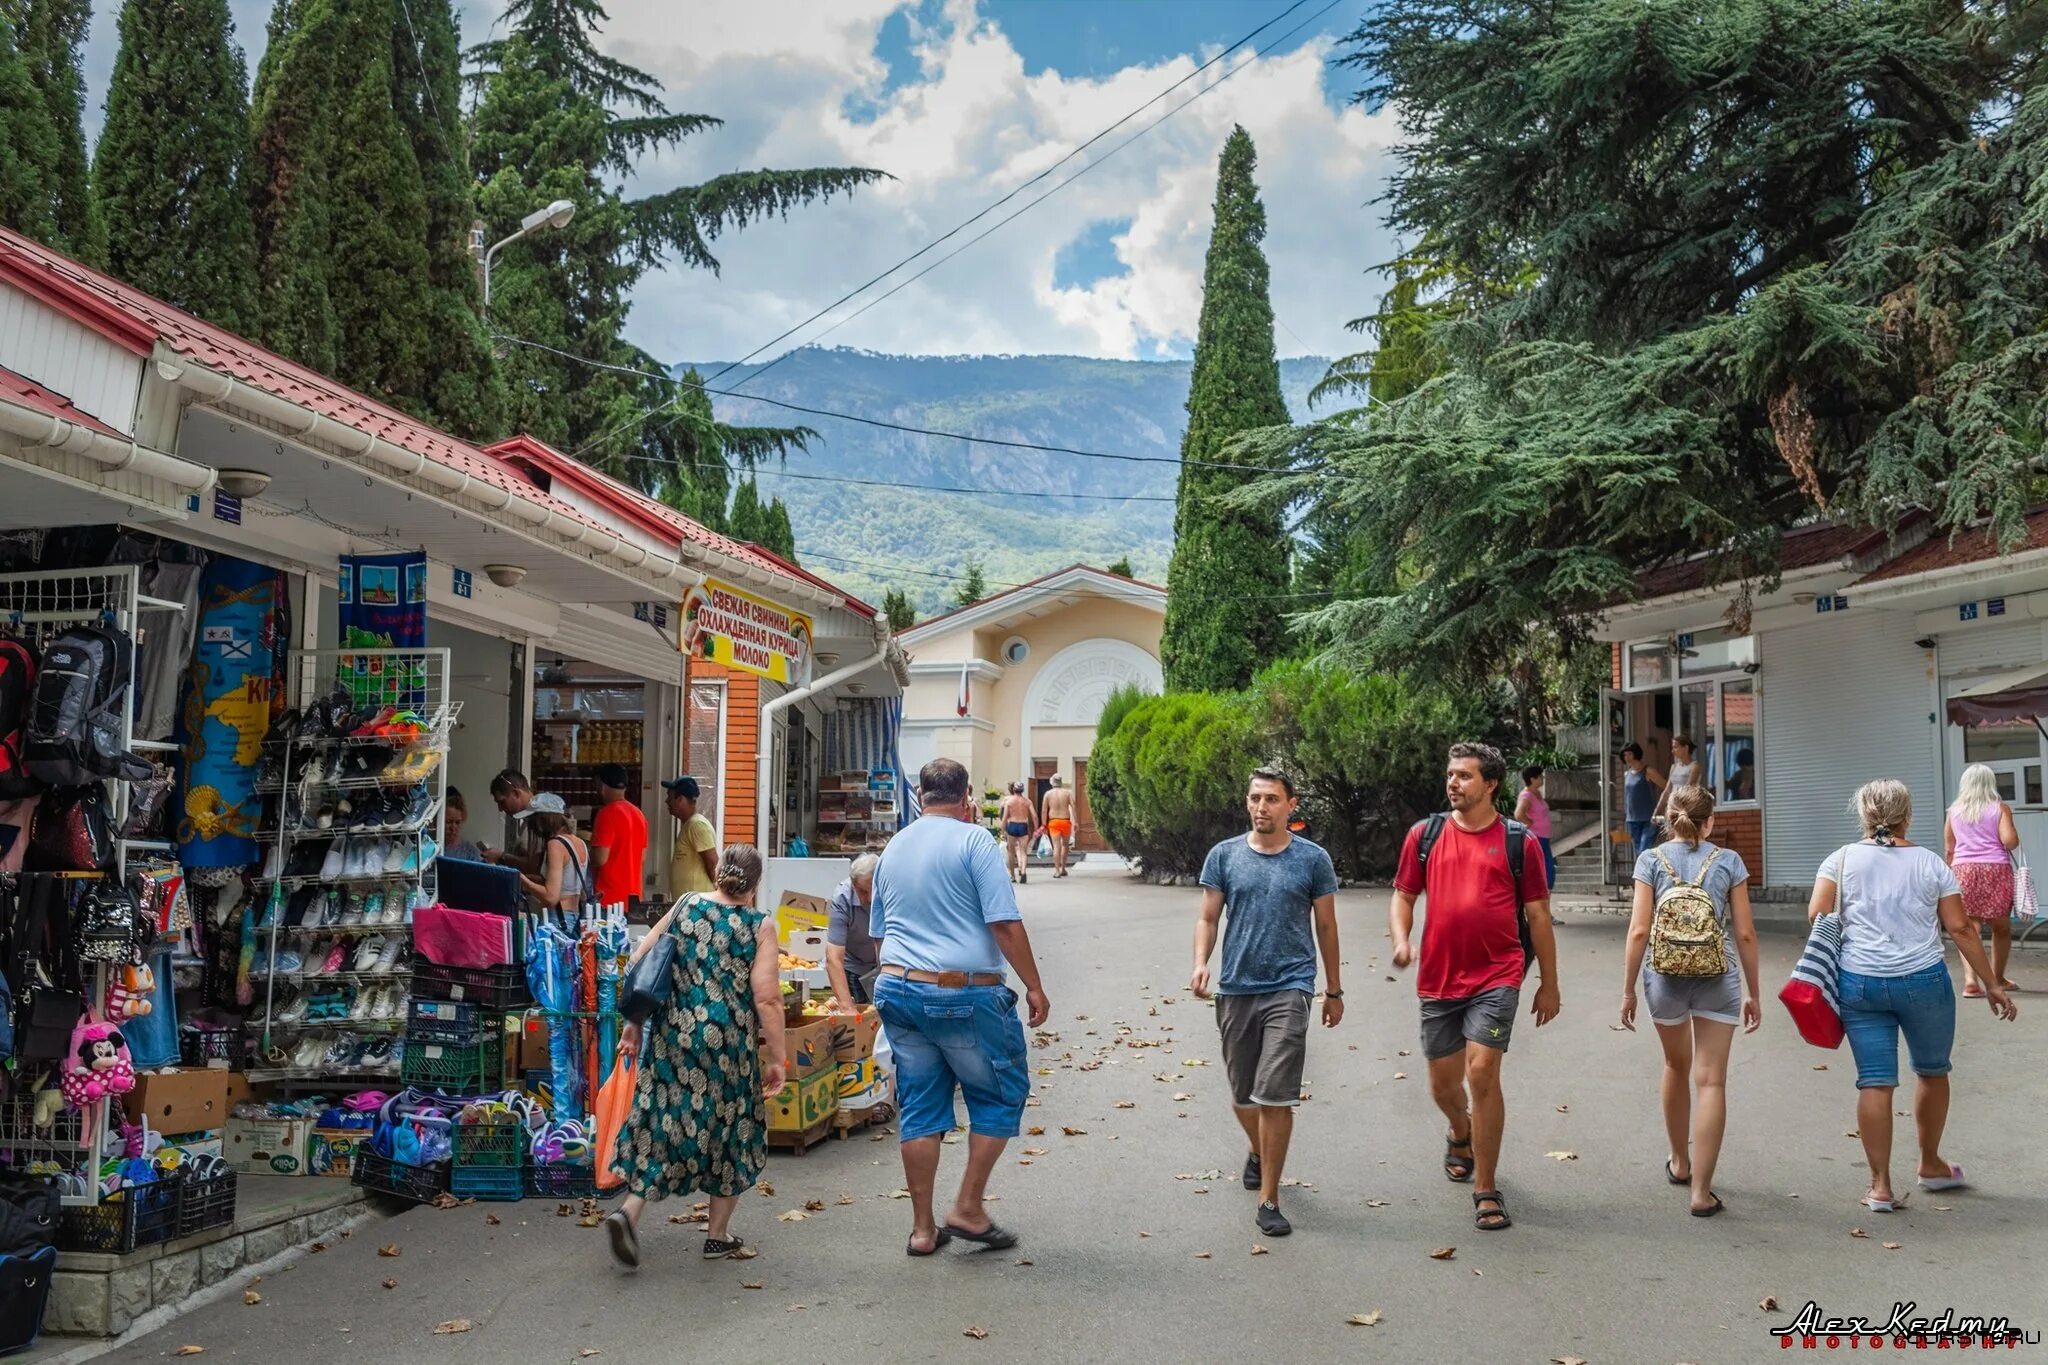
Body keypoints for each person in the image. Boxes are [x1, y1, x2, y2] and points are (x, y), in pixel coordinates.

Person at [1808, 779, 2017, 1212]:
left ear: (1864, 815)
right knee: (1932, 1070)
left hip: (1860, 982)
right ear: (1908, 814)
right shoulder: (1930, 863)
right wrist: (1991, 983)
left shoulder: (1840, 859)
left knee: (1876, 1082)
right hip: (1923, 981)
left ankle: (1880, 1186)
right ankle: (1930, 1164)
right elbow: (1960, 928)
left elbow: (1817, 914)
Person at [871, 758, 1050, 1257]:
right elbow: (1004, 923)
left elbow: (881, 931)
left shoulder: (893, 848)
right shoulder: (975, 842)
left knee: (922, 1106)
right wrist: (1034, 986)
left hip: (898, 989)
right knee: (1000, 1093)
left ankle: (923, 1230)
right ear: (966, 796)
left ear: (922, 796)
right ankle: (967, 1208)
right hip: (961, 994)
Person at [1390, 742, 1559, 1233]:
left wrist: (1549, 983)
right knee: (1444, 1087)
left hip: (1497, 974)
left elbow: (1539, 916)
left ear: (1490, 785)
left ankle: (1486, 1187)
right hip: (1439, 978)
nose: (1453, 783)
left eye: (1464, 775)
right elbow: (1403, 896)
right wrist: (1402, 939)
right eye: (1450, 774)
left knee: (1482, 1073)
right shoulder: (1425, 835)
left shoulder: (1517, 840)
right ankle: (1459, 1130)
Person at [603, 844, 785, 1269]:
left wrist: (634, 1024)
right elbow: (768, 998)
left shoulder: (685, 905)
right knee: (732, 1130)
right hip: (728, 1046)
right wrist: (778, 1057)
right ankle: (717, 1236)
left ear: (718, 872)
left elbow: (644, 960)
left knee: (664, 1119)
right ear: (755, 886)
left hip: (674, 1037)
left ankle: (629, 1210)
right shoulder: (758, 925)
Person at [1189, 768, 1342, 1238]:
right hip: (1236, 987)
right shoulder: (1224, 856)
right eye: (1255, 798)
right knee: (1242, 1095)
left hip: (1290, 987)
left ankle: (1269, 1196)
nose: (1262, 807)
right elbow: (1208, 917)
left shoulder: (1313, 860)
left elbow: (1327, 928)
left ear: (1290, 805)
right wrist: (1201, 961)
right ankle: (1259, 1150)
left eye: (1272, 799)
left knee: (1275, 1095)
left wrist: (1333, 989)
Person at [1619, 785, 1760, 1217]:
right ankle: (1701, 1192)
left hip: (1664, 979)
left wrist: (1628, 990)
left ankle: (1679, 1162)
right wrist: (1753, 991)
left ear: (1667, 820)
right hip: (1718, 978)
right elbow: (1746, 933)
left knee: (1674, 1066)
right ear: (1710, 820)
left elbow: (1639, 931)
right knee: (1711, 1081)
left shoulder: (1650, 860)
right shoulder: (1729, 862)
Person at [1943, 763, 2022, 999]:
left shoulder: (1954, 811)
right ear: (1991, 783)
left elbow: (1949, 848)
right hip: (1995, 869)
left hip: (1963, 870)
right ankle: (1997, 978)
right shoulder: (2000, 808)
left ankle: (1970, 981)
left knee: (1969, 927)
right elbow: (2009, 842)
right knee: (2001, 927)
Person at [514, 793, 591, 915]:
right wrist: (531, 879)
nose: (531, 826)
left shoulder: (555, 845)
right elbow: (564, 884)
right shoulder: (579, 842)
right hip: (574, 915)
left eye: (532, 820)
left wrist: (521, 879)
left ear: (542, 820)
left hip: (557, 917)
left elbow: (551, 897)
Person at [588, 763, 649, 911]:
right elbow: (642, 858)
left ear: (601, 787)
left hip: (608, 900)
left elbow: (600, 858)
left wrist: (584, 850)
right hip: (633, 900)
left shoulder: (607, 814)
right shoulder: (639, 815)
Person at [825, 853, 882, 1009]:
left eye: (874, 890)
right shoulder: (842, 897)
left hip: (885, 966)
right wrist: (847, 1007)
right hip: (854, 966)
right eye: (863, 891)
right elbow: (833, 958)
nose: (870, 898)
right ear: (853, 884)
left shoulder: (890, 891)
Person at [663, 777, 718, 897]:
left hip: (698, 908)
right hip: (691, 906)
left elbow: (713, 863)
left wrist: (718, 898)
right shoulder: (689, 824)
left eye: (670, 797)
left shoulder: (697, 825)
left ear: (680, 799)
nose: (667, 801)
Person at [482, 769, 542, 876]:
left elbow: (538, 866)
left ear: (516, 793)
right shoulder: (528, 818)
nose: (500, 808)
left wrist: (502, 857)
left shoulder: (541, 820)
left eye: (502, 802)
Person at [1513, 766, 1556, 888]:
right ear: (1533, 779)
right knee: (1544, 870)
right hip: (1536, 838)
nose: (1542, 778)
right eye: (1540, 776)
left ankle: (1545, 901)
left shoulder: (1537, 793)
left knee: (1548, 872)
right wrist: (1530, 823)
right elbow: (1518, 814)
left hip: (1544, 838)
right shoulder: (1526, 795)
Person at [1621, 743, 1664, 857]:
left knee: (1643, 852)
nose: (1627, 758)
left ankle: (1643, 874)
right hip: (1632, 820)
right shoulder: (1627, 774)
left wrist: (1661, 808)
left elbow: (1666, 786)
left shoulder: (1648, 771)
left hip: (1648, 819)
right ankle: (1647, 874)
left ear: (1636, 753)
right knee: (1638, 852)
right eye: (1625, 755)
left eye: (1630, 754)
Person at [1653, 735, 1698, 826]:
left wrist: (1678, 808)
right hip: (1672, 809)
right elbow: (1667, 790)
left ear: (1685, 748)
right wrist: (1657, 811)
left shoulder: (1694, 766)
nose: (1673, 751)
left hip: (1685, 810)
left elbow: (1688, 789)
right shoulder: (1674, 767)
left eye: (1675, 747)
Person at [1000, 783, 1037, 884]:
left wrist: (1002, 831)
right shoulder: (1027, 801)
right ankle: (1023, 871)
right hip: (1023, 825)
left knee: (1011, 852)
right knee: (1023, 851)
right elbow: (1034, 816)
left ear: (1014, 790)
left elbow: (1004, 818)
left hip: (1012, 825)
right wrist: (1036, 829)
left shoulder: (1009, 801)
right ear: (1022, 790)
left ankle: (1012, 875)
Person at [1042, 776, 1076, 878]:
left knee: (1056, 846)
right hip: (1065, 821)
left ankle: (1057, 871)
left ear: (1052, 783)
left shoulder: (1048, 794)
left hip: (1054, 822)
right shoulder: (1067, 793)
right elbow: (1074, 807)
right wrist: (1076, 822)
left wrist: (1044, 824)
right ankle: (1063, 868)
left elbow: (1044, 810)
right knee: (1065, 846)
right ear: (1061, 782)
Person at [442, 787, 482, 863]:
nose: (453, 828)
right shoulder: (427, 846)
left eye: (457, 822)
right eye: (448, 822)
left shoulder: (469, 852)